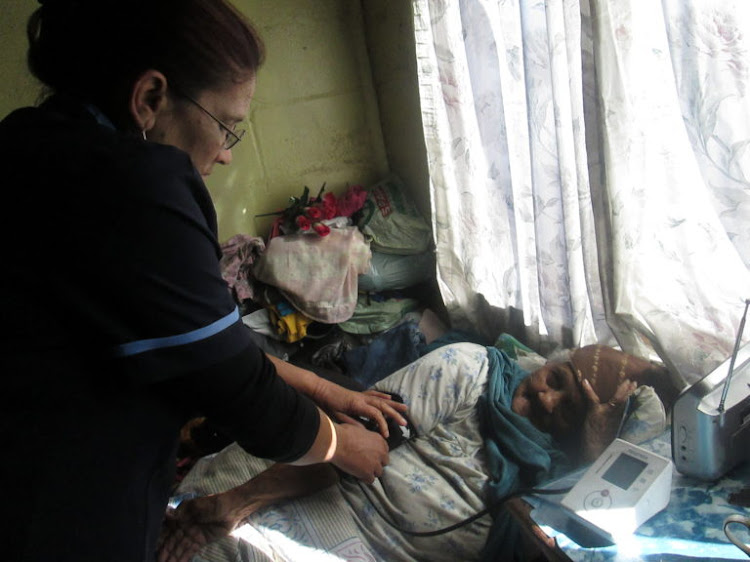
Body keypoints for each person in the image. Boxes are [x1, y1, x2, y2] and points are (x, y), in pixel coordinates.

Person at [0, 1, 406, 560]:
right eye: (226, 126)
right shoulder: (135, 185)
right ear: (150, 99)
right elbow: (234, 388)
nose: (225, 156)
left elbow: (209, 346)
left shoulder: (29, 139)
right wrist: (340, 445)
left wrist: (325, 389)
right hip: (57, 505)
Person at [158, 341, 674, 562]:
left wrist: (591, 450)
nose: (545, 396)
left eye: (566, 409)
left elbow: (582, 528)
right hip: (337, 498)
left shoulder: (563, 473)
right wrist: (241, 501)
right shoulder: (471, 371)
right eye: (555, 378)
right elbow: (353, 446)